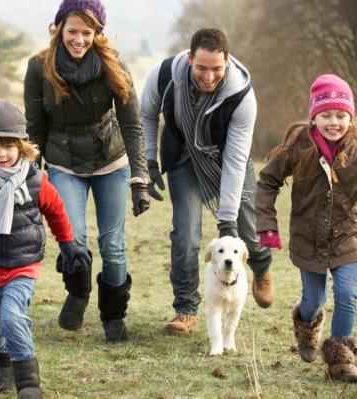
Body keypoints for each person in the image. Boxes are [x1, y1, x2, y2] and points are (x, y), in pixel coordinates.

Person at [24, 0, 150, 342]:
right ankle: (78, 294)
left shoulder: (113, 64)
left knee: (113, 244)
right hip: (64, 161)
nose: (79, 39)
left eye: (87, 32)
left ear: (98, 34)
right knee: (73, 238)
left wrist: (140, 178)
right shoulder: (39, 67)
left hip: (110, 160)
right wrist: (30, 180)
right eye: (73, 31)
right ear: (59, 28)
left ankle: (113, 315)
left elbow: (132, 125)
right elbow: (34, 131)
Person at [0, 98, 90, 398]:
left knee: (13, 316)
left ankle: (28, 383)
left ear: (22, 146)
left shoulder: (36, 181)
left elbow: (56, 211)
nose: (1, 153)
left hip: (22, 264)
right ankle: (3, 364)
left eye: (9, 145)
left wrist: (68, 245)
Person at [140, 28, 274, 335]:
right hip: (184, 160)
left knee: (246, 234)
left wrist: (227, 222)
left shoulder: (242, 95)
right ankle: (186, 310)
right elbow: (146, 113)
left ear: (227, 60)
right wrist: (148, 161)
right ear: (189, 59)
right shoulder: (164, 75)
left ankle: (262, 266)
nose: (209, 76)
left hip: (227, 161)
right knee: (186, 237)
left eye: (217, 68)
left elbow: (236, 160)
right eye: (201, 68)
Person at [256, 74, 357, 382]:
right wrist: (267, 227)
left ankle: (341, 359)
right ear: (315, 116)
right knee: (314, 301)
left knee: (348, 294)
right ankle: (305, 322)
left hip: (347, 236)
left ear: (350, 117)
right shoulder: (298, 145)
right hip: (307, 239)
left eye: (341, 116)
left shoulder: (354, 148)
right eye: (326, 116)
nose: (334, 123)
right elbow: (267, 182)